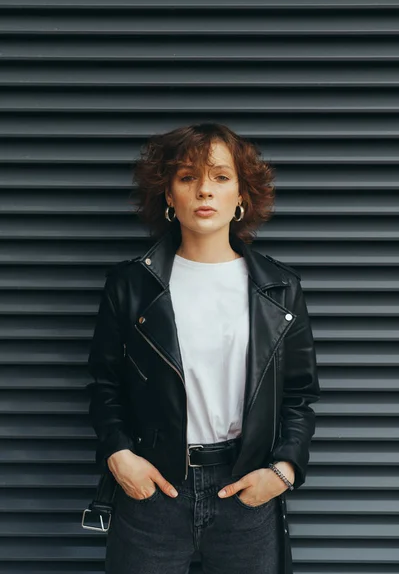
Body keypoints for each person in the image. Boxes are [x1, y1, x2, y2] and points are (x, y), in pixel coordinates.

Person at [87, 122, 320, 574]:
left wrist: (283, 472)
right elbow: (105, 386)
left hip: (245, 491)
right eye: (188, 177)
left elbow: (300, 396)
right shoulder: (130, 286)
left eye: (219, 176)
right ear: (169, 196)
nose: (204, 191)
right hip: (153, 491)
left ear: (242, 196)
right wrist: (119, 456)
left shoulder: (280, 289)